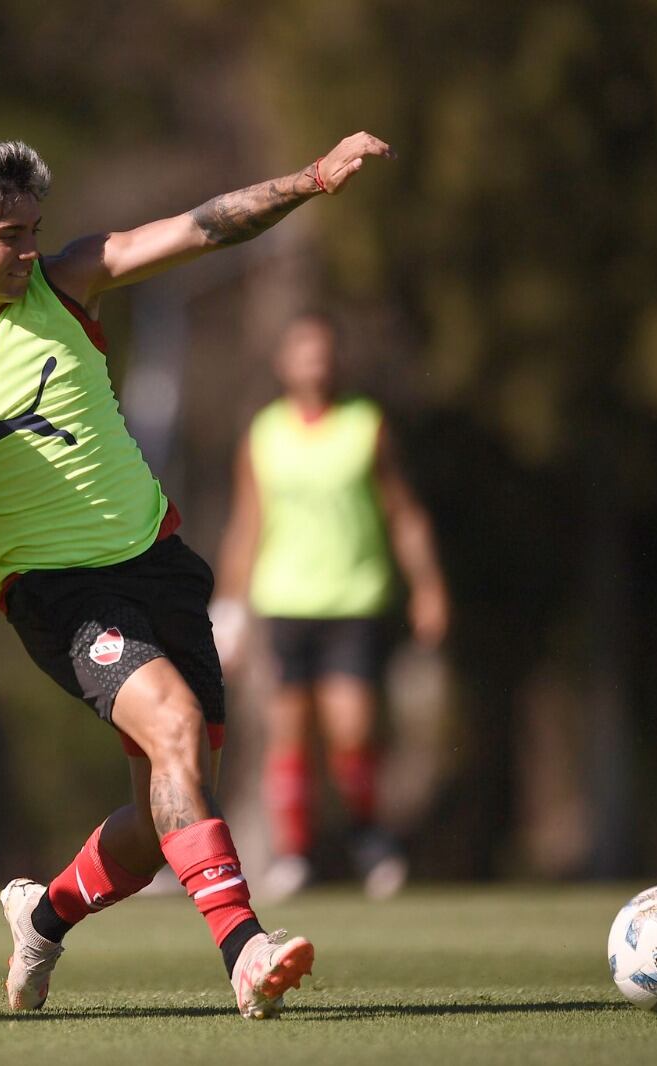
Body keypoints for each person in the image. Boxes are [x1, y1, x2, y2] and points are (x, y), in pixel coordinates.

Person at [0, 131, 392, 1019]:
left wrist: (311, 179)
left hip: (161, 566)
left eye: (34, 230)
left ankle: (43, 916)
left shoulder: (67, 284)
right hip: (58, 594)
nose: (29, 251)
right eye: (8, 236)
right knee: (173, 723)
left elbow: (201, 229)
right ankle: (245, 951)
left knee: (157, 824)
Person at [212, 313, 448, 901]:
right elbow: (248, 524)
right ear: (284, 364)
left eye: (323, 350)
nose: (314, 361)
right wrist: (230, 610)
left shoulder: (365, 426)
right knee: (287, 731)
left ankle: (370, 837)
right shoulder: (264, 434)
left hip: (354, 597)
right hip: (285, 600)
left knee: (352, 727)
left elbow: (403, 512)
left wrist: (428, 585)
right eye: (303, 351)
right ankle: (295, 854)